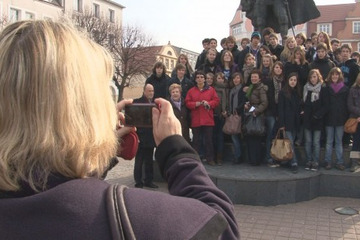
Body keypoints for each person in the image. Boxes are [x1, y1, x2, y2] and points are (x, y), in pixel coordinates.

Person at [0, 20, 239, 240]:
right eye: (106, 89)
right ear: (83, 107)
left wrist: (89, 158)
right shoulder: (136, 219)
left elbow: (51, 182)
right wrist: (178, 152)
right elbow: (221, 226)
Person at [186, 71, 220, 166]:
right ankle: (196, 158)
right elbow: (187, 103)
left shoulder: (211, 90)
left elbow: (216, 101)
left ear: (205, 79)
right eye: (198, 77)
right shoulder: (191, 91)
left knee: (208, 140)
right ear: (195, 79)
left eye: (202, 77)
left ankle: (210, 158)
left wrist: (209, 103)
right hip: (196, 119)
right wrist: (195, 104)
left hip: (207, 119)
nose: (200, 79)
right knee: (196, 141)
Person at [323, 67, 349, 170]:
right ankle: (327, 161)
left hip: (340, 119)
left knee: (339, 141)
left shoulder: (345, 89)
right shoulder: (326, 88)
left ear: (340, 76)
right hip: (329, 118)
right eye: (333, 74)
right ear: (330, 75)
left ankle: (339, 161)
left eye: (337, 74)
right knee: (329, 141)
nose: (335, 76)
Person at [133, 84, 158, 189]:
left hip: (150, 136)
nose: (151, 93)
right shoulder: (137, 102)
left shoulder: (154, 103)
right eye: (149, 91)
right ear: (144, 91)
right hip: (140, 136)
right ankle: (138, 181)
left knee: (149, 160)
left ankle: (149, 180)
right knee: (139, 160)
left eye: (152, 91)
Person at [278, 73, 302, 173]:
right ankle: (294, 163)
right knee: (290, 143)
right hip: (287, 122)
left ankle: (287, 160)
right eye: (291, 80)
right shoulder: (283, 92)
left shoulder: (297, 92)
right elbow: (280, 109)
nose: (293, 82)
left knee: (291, 142)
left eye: (294, 80)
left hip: (295, 121)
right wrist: (282, 124)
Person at [303, 69, 327, 171]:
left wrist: (318, 115)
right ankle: (309, 160)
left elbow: (326, 105)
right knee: (308, 141)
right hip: (307, 118)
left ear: (318, 77)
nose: (313, 79)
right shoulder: (306, 88)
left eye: (315, 77)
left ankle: (315, 161)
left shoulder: (323, 88)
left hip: (318, 118)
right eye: (311, 77)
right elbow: (303, 102)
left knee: (316, 142)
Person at [244, 69, 268, 166]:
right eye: (252, 77)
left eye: (255, 77)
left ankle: (256, 160)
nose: (253, 78)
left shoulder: (261, 88)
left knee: (256, 137)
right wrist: (248, 106)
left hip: (257, 114)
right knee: (250, 136)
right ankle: (252, 160)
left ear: (259, 78)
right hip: (251, 113)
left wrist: (257, 111)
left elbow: (264, 102)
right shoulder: (251, 87)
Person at [228, 73, 247, 164]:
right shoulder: (231, 90)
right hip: (233, 115)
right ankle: (237, 155)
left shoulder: (243, 89)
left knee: (238, 137)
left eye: (238, 78)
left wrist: (237, 109)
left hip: (240, 115)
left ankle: (239, 156)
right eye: (234, 78)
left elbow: (244, 101)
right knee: (234, 136)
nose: (236, 80)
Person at [213, 73, 229, 165]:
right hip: (215, 115)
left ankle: (220, 157)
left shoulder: (227, 89)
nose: (220, 80)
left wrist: (226, 111)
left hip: (224, 116)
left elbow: (228, 101)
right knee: (214, 137)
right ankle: (214, 156)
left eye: (222, 78)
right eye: (218, 78)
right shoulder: (213, 89)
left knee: (221, 137)